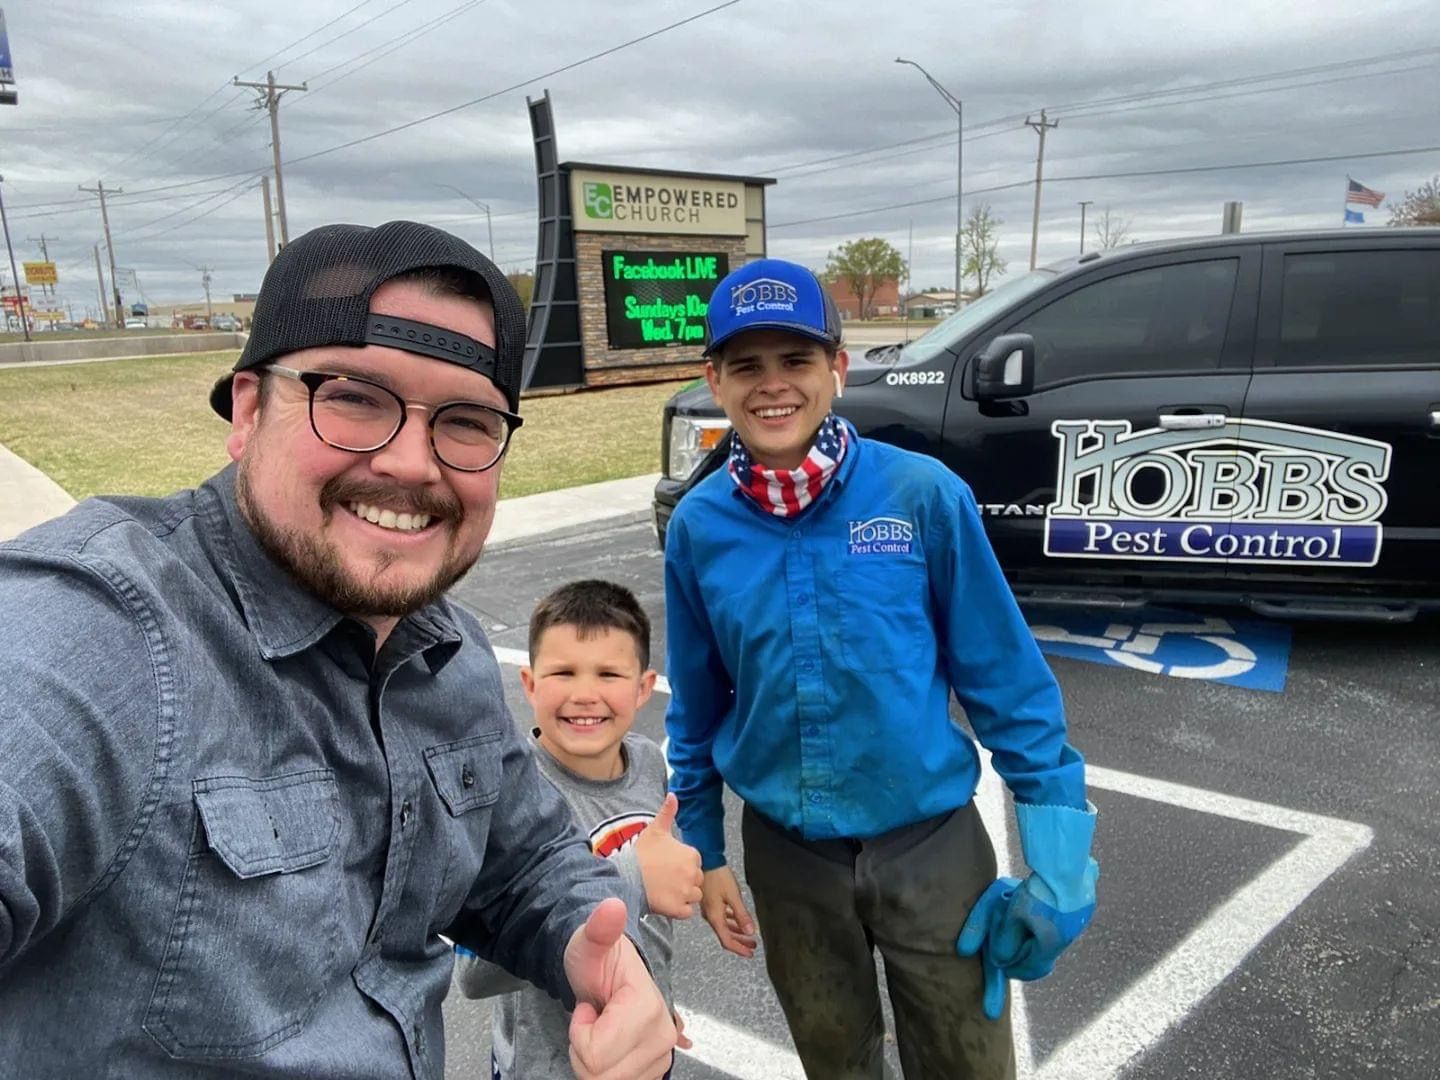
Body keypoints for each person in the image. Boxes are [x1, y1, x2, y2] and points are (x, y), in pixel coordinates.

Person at [0, 220, 676, 1080]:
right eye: (354, 396)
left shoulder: (452, 654)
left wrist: (593, 944)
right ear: (247, 410)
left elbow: (525, 863)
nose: (409, 463)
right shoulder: (105, 629)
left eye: (465, 421)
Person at [662, 258, 1099, 1079]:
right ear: (714, 380)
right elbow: (697, 705)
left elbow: (1004, 678)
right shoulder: (698, 528)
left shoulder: (922, 496)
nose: (772, 387)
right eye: (746, 367)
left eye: (795, 361)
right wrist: (703, 848)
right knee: (835, 1059)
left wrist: (1059, 851)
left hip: (931, 844)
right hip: (790, 860)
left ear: (837, 367)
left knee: (968, 1062)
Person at [455, 579, 703, 1079]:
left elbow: (647, 931)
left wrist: (651, 998)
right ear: (528, 684)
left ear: (643, 687)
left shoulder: (649, 763)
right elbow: (473, 975)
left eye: (608, 673)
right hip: (547, 1066)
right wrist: (630, 880)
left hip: (637, 1054)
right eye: (563, 672)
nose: (585, 694)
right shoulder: (507, 793)